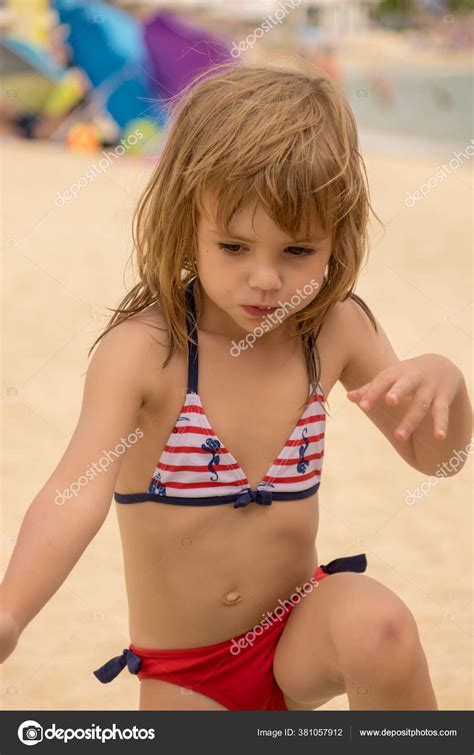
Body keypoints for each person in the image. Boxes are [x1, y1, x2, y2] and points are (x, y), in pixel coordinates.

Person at [0, 63, 471, 712]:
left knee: (380, 625)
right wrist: (11, 611)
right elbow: (71, 495)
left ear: (339, 232)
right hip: (186, 673)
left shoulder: (335, 329)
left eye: (297, 251)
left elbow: (438, 460)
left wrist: (449, 385)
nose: (266, 279)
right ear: (186, 219)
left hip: (298, 638)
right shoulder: (147, 353)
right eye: (234, 246)